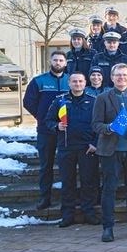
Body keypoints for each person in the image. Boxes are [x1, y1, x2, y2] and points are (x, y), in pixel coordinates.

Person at [91, 63, 127, 242]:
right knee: (109, 189)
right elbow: (96, 124)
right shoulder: (102, 98)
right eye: (118, 75)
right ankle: (107, 228)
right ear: (112, 77)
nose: (122, 78)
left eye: (125, 75)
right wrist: (110, 128)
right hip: (111, 151)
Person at [45, 72, 100, 227]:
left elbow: (99, 124)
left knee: (88, 181)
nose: (77, 84)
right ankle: (68, 215)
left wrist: (95, 143)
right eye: (74, 81)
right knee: (67, 182)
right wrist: (56, 126)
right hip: (66, 147)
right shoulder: (59, 101)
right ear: (69, 83)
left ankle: (88, 213)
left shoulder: (94, 101)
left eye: (80, 81)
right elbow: (48, 120)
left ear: (85, 83)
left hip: (87, 148)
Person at [23, 51, 70, 210]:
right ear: (50, 61)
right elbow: (29, 102)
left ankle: (67, 199)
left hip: (66, 131)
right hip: (46, 130)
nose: (58, 63)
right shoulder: (39, 81)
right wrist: (43, 117)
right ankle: (45, 197)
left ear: (65, 63)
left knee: (67, 166)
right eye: (55, 60)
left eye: (61, 60)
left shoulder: (71, 81)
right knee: (46, 165)